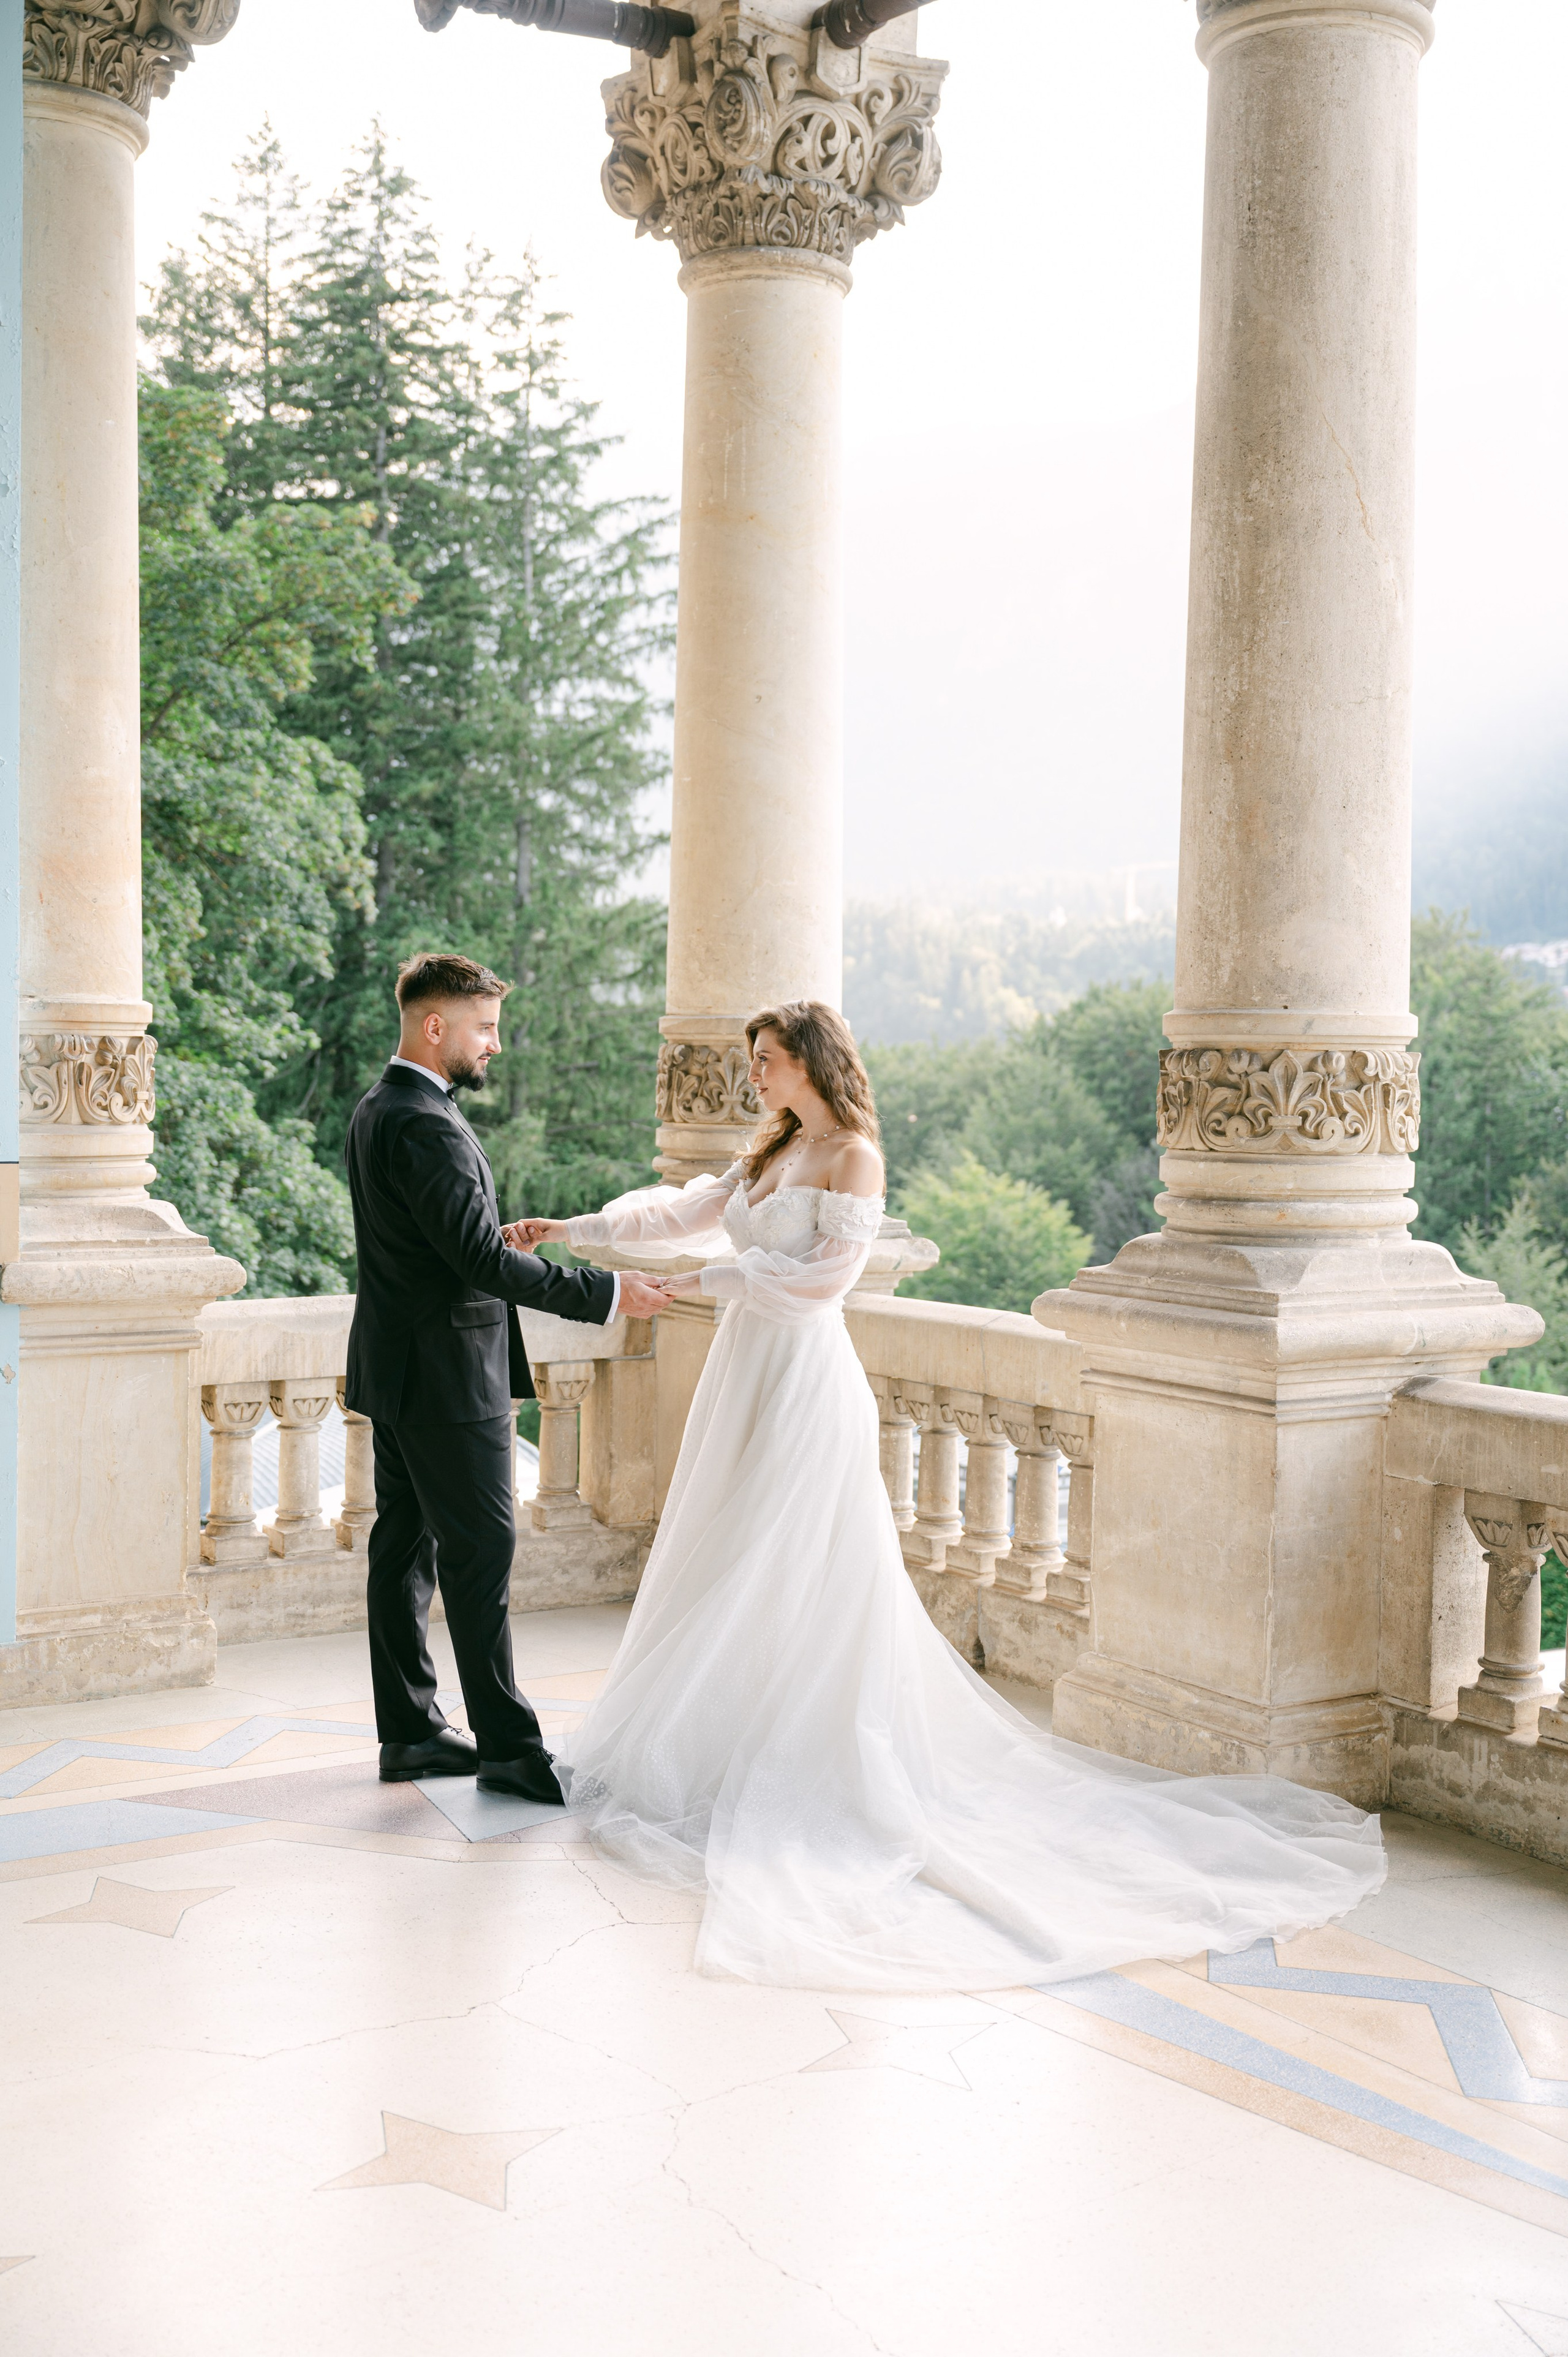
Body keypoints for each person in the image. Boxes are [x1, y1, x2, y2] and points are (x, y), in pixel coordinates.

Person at [509, 998, 1386, 1991]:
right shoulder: (771, 1152)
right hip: (743, 1377)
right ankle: (714, 1742)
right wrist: (572, 1230)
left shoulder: (854, 1160)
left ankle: (807, 1762)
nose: (753, 1075)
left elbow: (819, 1286)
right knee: (723, 1551)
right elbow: (679, 1213)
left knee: (796, 1561)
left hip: (800, 1377)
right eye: (753, 1060)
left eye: (766, 1059)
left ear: (809, 1061)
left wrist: (702, 1290)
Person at [343, 952, 672, 1802]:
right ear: (435, 1026)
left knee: (404, 1551)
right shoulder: (427, 1123)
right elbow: (479, 1261)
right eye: (485, 1028)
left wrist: (490, 1243)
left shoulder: (380, 1107)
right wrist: (606, 1291)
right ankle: (510, 1751)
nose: (495, 1045)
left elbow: (445, 1250)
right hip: (448, 1380)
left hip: (400, 1368)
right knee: (482, 1552)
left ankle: (411, 1733)